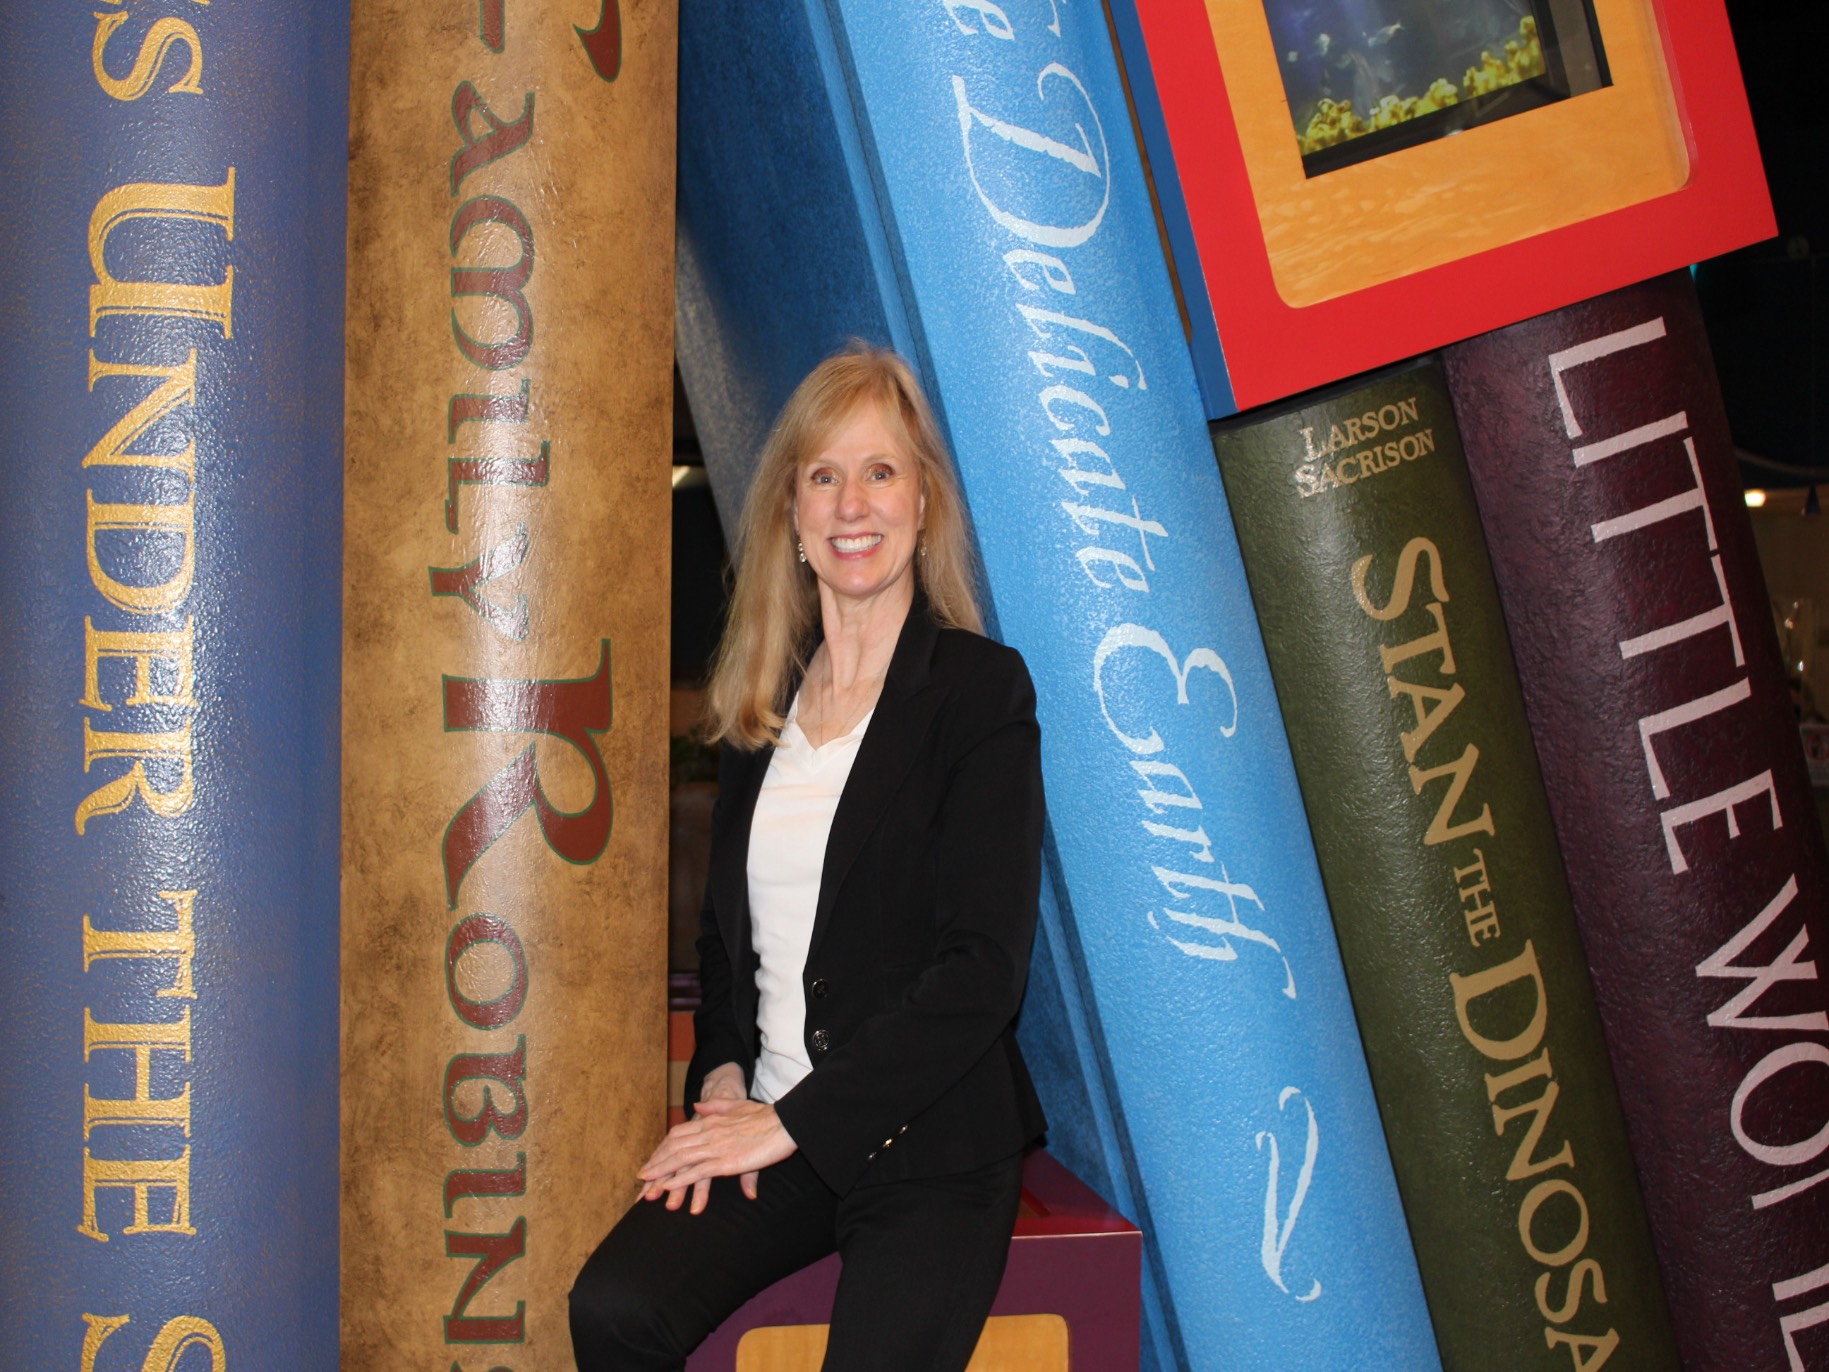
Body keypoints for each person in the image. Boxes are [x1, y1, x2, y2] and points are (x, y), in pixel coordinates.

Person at [569, 345, 1047, 1371]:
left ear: (923, 501)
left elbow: (981, 973)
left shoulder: (979, 692)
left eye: (879, 470)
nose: (850, 502)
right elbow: (725, 944)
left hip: (925, 1146)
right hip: (772, 1123)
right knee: (612, 1308)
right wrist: (727, 1075)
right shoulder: (759, 702)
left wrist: (788, 1124)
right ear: (790, 513)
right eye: (822, 475)